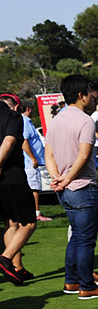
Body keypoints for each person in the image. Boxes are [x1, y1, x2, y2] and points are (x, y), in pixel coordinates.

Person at [45, 75, 98, 299]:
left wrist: (57, 178)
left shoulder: (56, 121)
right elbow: (84, 157)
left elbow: (49, 154)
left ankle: (72, 281)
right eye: (91, 94)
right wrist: (67, 178)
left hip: (65, 189)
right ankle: (87, 286)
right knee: (85, 240)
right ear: (81, 96)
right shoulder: (85, 121)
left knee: (76, 237)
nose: (94, 98)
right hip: (81, 187)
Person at [0, 93, 37, 285]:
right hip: (12, 176)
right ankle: (5, 259)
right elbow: (9, 142)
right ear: (15, 107)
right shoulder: (14, 117)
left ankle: (17, 268)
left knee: (11, 223)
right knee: (28, 222)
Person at [21, 102, 52, 223]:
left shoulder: (26, 121)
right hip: (29, 162)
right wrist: (33, 158)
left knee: (34, 187)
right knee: (34, 188)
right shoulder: (24, 121)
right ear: (28, 109)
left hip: (33, 161)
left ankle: (32, 212)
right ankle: (35, 213)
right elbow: (25, 140)